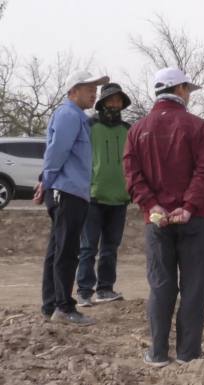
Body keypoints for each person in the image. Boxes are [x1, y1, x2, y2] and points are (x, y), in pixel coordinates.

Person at [124, 67, 204, 367]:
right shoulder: (199, 127)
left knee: (161, 284)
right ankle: (188, 354)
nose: (188, 95)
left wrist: (152, 205)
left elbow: (132, 175)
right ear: (179, 90)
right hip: (194, 219)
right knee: (194, 286)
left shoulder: (137, 130)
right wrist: (188, 206)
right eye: (187, 90)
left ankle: (158, 353)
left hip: (156, 221)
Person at [37, 70, 109, 325]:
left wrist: (46, 181)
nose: (94, 94)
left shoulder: (77, 117)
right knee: (66, 251)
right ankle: (64, 308)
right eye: (89, 88)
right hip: (67, 192)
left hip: (69, 191)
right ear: (73, 91)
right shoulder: (69, 114)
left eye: (96, 89)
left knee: (58, 249)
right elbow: (57, 150)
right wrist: (46, 180)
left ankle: (51, 305)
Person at [75, 83, 131, 307]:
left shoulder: (128, 129)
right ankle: (84, 291)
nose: (115, 104)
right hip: (93, 196)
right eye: (111, 100)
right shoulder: (89, 126)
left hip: (120, 197)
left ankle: (105, 289)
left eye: (118, 100)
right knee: (88, 247)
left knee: (110, 247)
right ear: (102, 103)